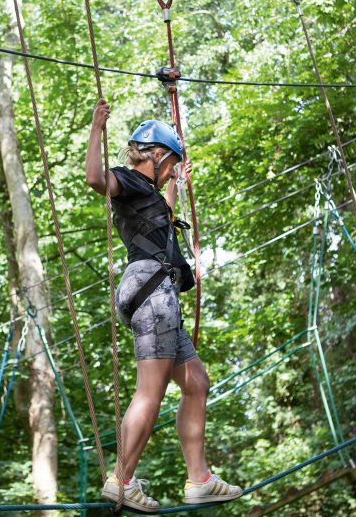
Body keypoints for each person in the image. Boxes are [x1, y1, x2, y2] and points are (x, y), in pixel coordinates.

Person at [85, 98, 242, 512]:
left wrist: (178, 178)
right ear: (153, 156)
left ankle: (199, 480)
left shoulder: (150, 196)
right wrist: (97, 128)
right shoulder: (129, 181)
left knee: (196, 383)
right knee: (150, 392)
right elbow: (95, 178)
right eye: (170, 162)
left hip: (160, 295)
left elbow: (165, 211)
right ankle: (121, 479)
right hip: (152, 294)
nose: (171, 170)